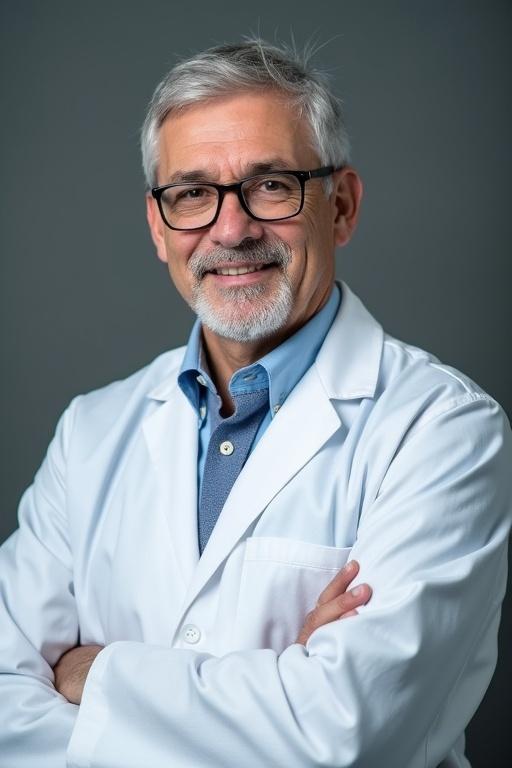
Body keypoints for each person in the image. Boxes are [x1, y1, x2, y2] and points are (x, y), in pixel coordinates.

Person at [1, 39, 511, 768]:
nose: (231, 228)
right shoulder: (91, 432)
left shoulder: (445, 431)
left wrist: (97, 674)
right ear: (158, 227)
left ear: (341, 206)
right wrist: (279, 685)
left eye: (271, 185)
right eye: (191, 194)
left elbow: (342, 735)